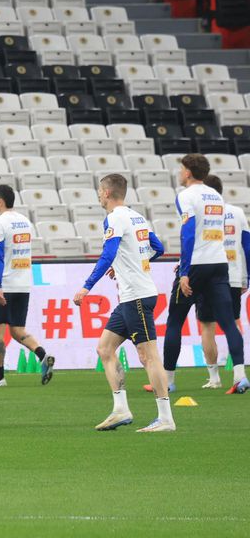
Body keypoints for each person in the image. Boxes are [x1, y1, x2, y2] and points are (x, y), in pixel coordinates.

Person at [72, 173, 173, 432]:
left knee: (148, 357)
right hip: (132, 296)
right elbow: (158, 248)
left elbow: (108, 254)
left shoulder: (114, 218)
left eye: (99, 190)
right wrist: (133, 264)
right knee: (105, 349)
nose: (98, 195)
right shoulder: (137, 216)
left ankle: (165, 418)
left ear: (106, 192)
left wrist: (86, 287)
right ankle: (121, 409)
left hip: (137, 296)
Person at [161, 154, 247, 395]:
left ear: (188, 171)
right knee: (228, 322)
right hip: (220, 263)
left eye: (181, 168)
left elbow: (188, 233)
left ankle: (167, 380)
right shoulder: (216, 196)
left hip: (197, 263)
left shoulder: (186, 196)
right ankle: (240, 375)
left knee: (175, 321)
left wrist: (185, 272)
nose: (179, 172)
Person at [0, 184, 53, 387]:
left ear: (0, 202)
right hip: (23, 284)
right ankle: (43, 355)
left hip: (4, 284)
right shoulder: (25, 222)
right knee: (17, 330)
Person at [196, 175, 250, 389]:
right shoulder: (237, 213)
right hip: (234, 275)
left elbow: (191, 241)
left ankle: (214, 378)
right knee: (233, 323)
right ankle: (239, 374)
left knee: (207, 326)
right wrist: (248, 275)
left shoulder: (202, 212)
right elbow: (247, 245)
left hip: (206, 274)